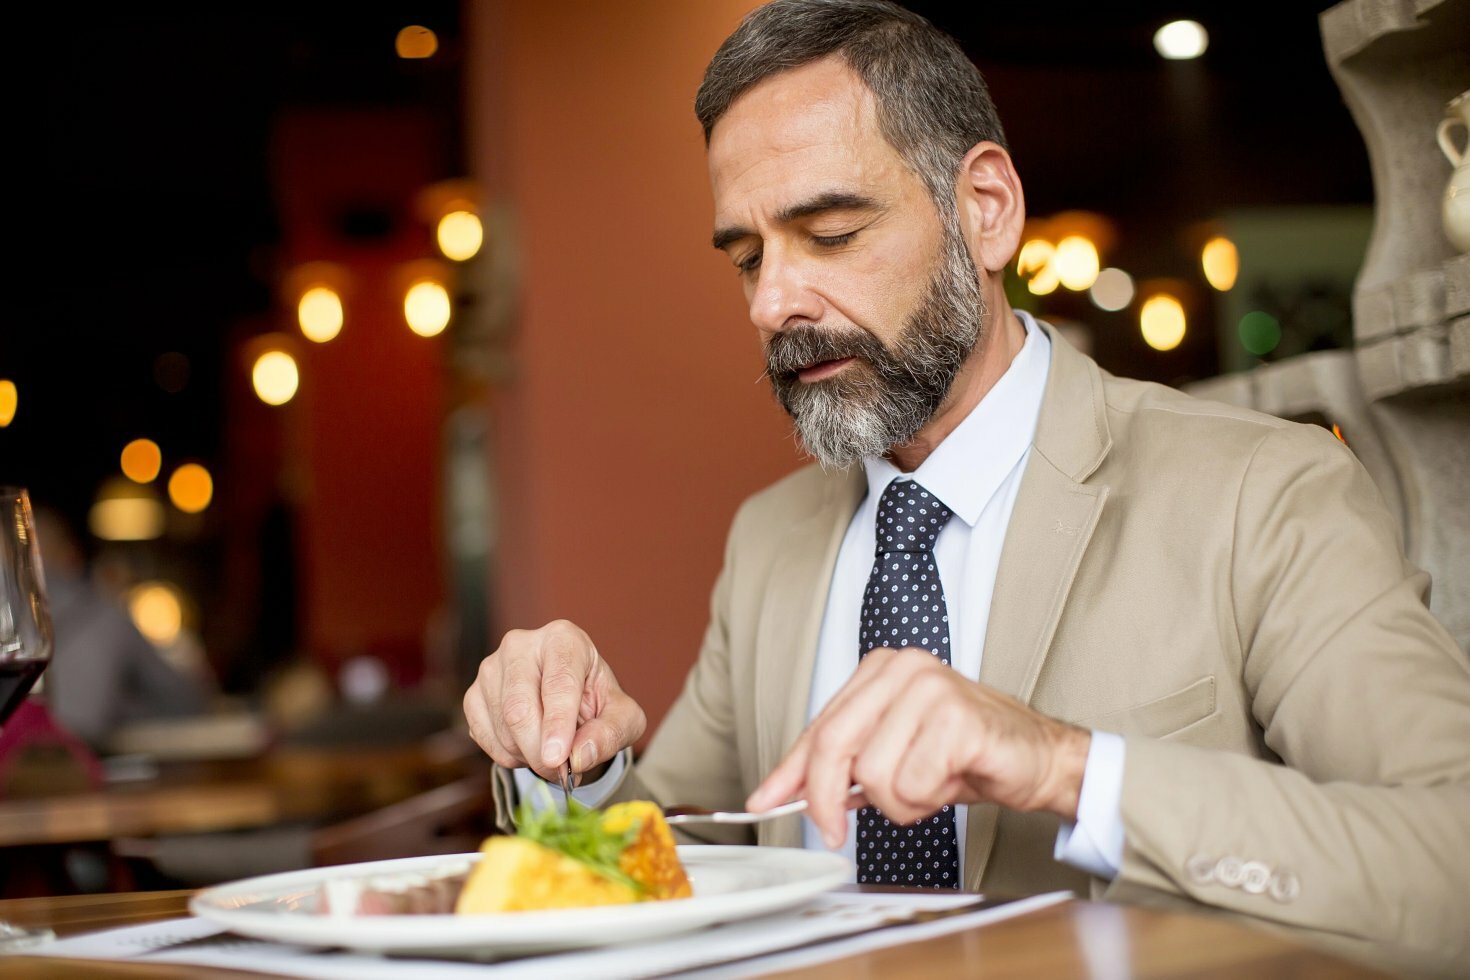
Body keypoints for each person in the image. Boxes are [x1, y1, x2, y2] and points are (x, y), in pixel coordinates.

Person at [462, 1, 1470, 973]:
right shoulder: (770, 541)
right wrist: (573, 763)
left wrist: (1069, 766)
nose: (773, 300)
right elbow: (669, 862)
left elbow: (1451, 869)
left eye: (831, 233)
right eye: (747, 256)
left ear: (985, 211)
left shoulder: (1262, 489)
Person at [32, 507, 210, 749]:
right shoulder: (102, 610)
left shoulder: (17, 613)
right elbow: (186, 700)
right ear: (71, 556)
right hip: (78, 763)